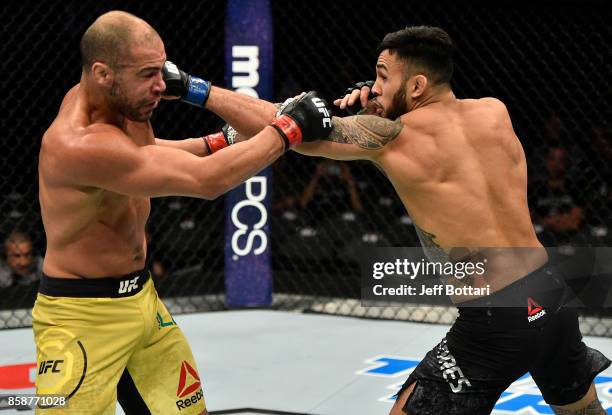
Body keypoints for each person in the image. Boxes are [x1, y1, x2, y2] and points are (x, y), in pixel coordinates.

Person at [202, 26, 610, 415]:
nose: (373, 86)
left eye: (381, 76)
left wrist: (194, 89)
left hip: (495, 321)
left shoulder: (394, 136)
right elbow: (443, 133)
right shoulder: (494, 111)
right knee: (581, 409)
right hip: (551, 295)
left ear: (416, 86)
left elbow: (291, 124)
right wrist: (380, 102)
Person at [35, 10, 332, 414]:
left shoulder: (120, 106)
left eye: (161, 69)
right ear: (103, 73)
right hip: (82, 319)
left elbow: (144, 156)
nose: (162, 85)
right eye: (147, 74)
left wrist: (214, 140)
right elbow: (206, 182)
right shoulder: (78, 143)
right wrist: (288, 130)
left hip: (142, 300)